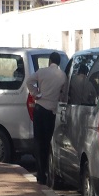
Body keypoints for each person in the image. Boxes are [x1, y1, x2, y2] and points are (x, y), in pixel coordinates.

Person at [25, 52, 66, 184]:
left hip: (39, 109)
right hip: (51, 112)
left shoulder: (41, 72)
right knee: (46, 142)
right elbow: (64, 95)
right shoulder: (62, 76)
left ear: (50, 61)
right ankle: (46, 171)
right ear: (58, 62)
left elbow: (29, 81)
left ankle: (40, 173)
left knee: (38, 141)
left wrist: (36, 94)